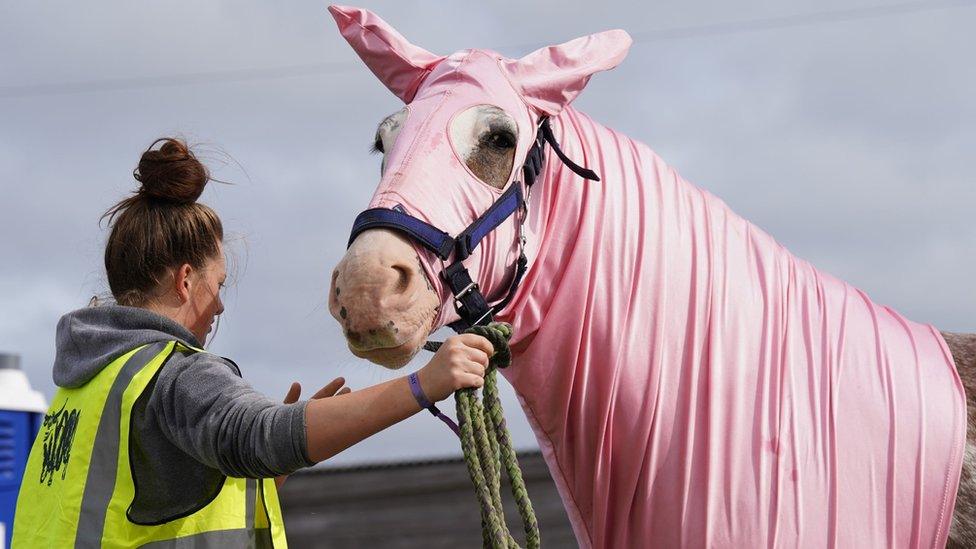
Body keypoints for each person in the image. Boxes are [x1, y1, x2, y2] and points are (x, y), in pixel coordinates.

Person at [11, 138, 493, 548]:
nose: (218, 307)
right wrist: (424, 385)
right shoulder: (175, 373)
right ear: (185, 282)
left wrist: (257, 477)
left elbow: (147, 503)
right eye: (217, 285)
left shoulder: (81, 389)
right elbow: (260, 436)